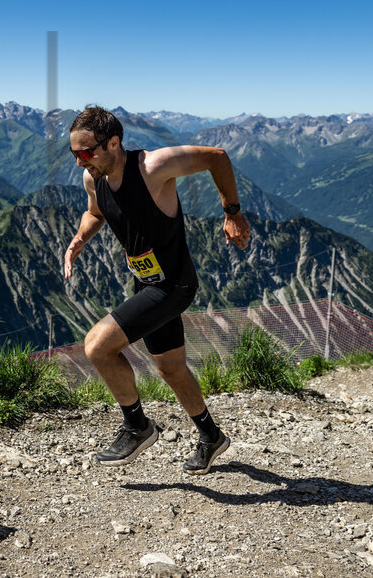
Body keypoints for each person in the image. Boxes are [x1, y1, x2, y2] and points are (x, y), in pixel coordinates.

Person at [63, 106, 252, 474]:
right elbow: (96, 213)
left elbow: (218, 157)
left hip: (174, 285)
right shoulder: (94, 179)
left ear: (113, 143)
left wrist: (231, 212)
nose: (79, 162)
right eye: (74, 154)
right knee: (171, 369)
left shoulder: (153, 167)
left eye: (85, 153)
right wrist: (79, 239)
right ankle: (211, 436)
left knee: (97, 347)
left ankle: (137, 426)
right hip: (145, 282)